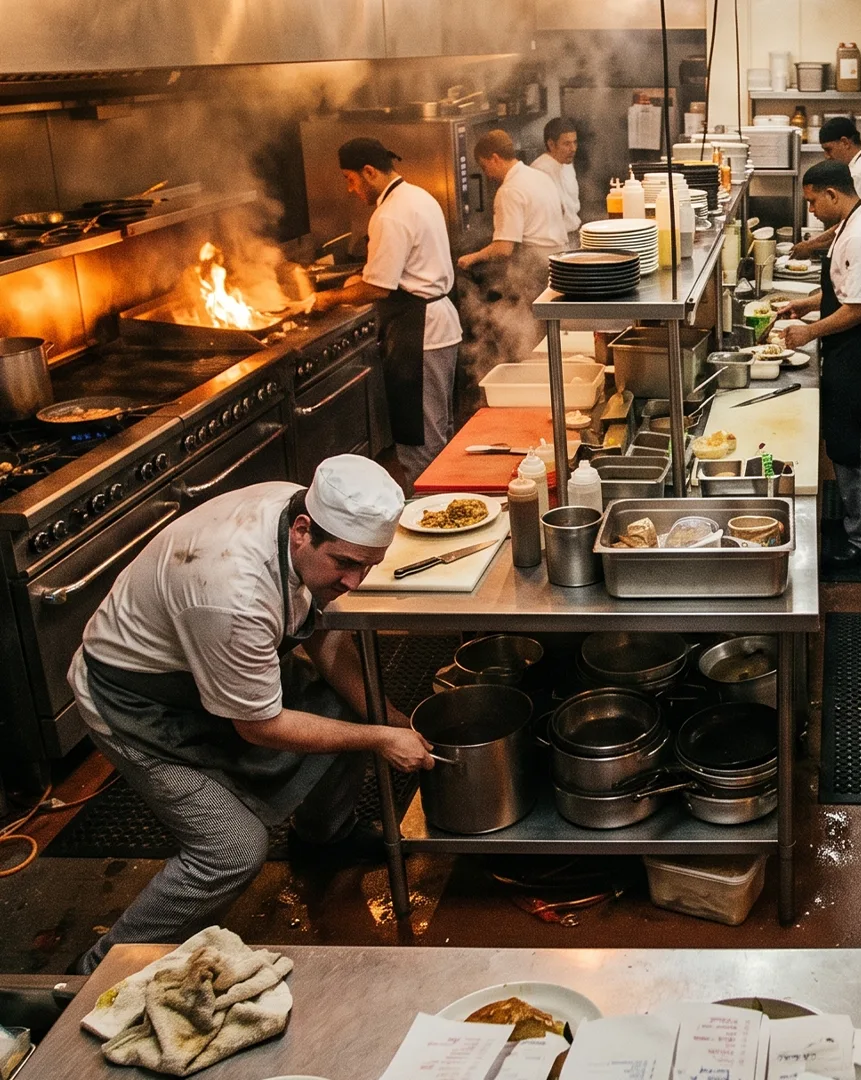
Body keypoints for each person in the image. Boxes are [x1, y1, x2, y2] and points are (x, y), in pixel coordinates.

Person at [67, 455, 437, 974]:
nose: (355, 581)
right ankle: (101, 969)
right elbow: (260, 726)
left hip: (216, 665)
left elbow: (323, 635)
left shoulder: (292, 507)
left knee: (349, 707)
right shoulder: (232, 594)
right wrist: (377, 737)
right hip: (142, 700)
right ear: (304, 533)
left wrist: (386, 716)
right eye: (346, 564)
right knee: (231, 850)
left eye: (369, 565)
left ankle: (323, 839)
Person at [312, 138, 462, 485]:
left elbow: (379, 288)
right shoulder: (417, 196)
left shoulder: (389, 214)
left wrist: (325, 299)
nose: (350, 189)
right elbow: (401, 267)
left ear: (369, 172)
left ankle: (431, 521)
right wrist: (358, 277)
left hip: (419, 333)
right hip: (437, 325)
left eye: (350, 179)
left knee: (421, 442)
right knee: (438, 431)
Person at [777, 160, 861, 570]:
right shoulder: (854, 220)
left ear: (833, 194)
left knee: (859, 450)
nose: (811, 210)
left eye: (813, 201)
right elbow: (846, 292)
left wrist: (808, 333)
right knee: (846, 445)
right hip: (853, 349)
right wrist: (806, 304)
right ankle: (854, 524)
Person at [457, 129, 568, 294]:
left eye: (484, 167)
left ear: (495, 158)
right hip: (560, 265)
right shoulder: (540, 176)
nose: (486, 175)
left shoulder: (509, 190)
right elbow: (561, 213)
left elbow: (503, 249)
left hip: (535, 271)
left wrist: (472, 258)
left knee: (531, 317)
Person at [790, 117, 861, 258]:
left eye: (829, 149)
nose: (827, 156)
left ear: (845, 142)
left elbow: (848, 223)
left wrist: (810, 245)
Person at [533, 116, 582, 236]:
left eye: (575, 142)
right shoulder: (539, 170)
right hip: (555, 238)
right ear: (551, 144)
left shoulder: (567, 163)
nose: (573, 149)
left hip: (574, 233)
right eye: (566, 144)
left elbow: (572, 206)